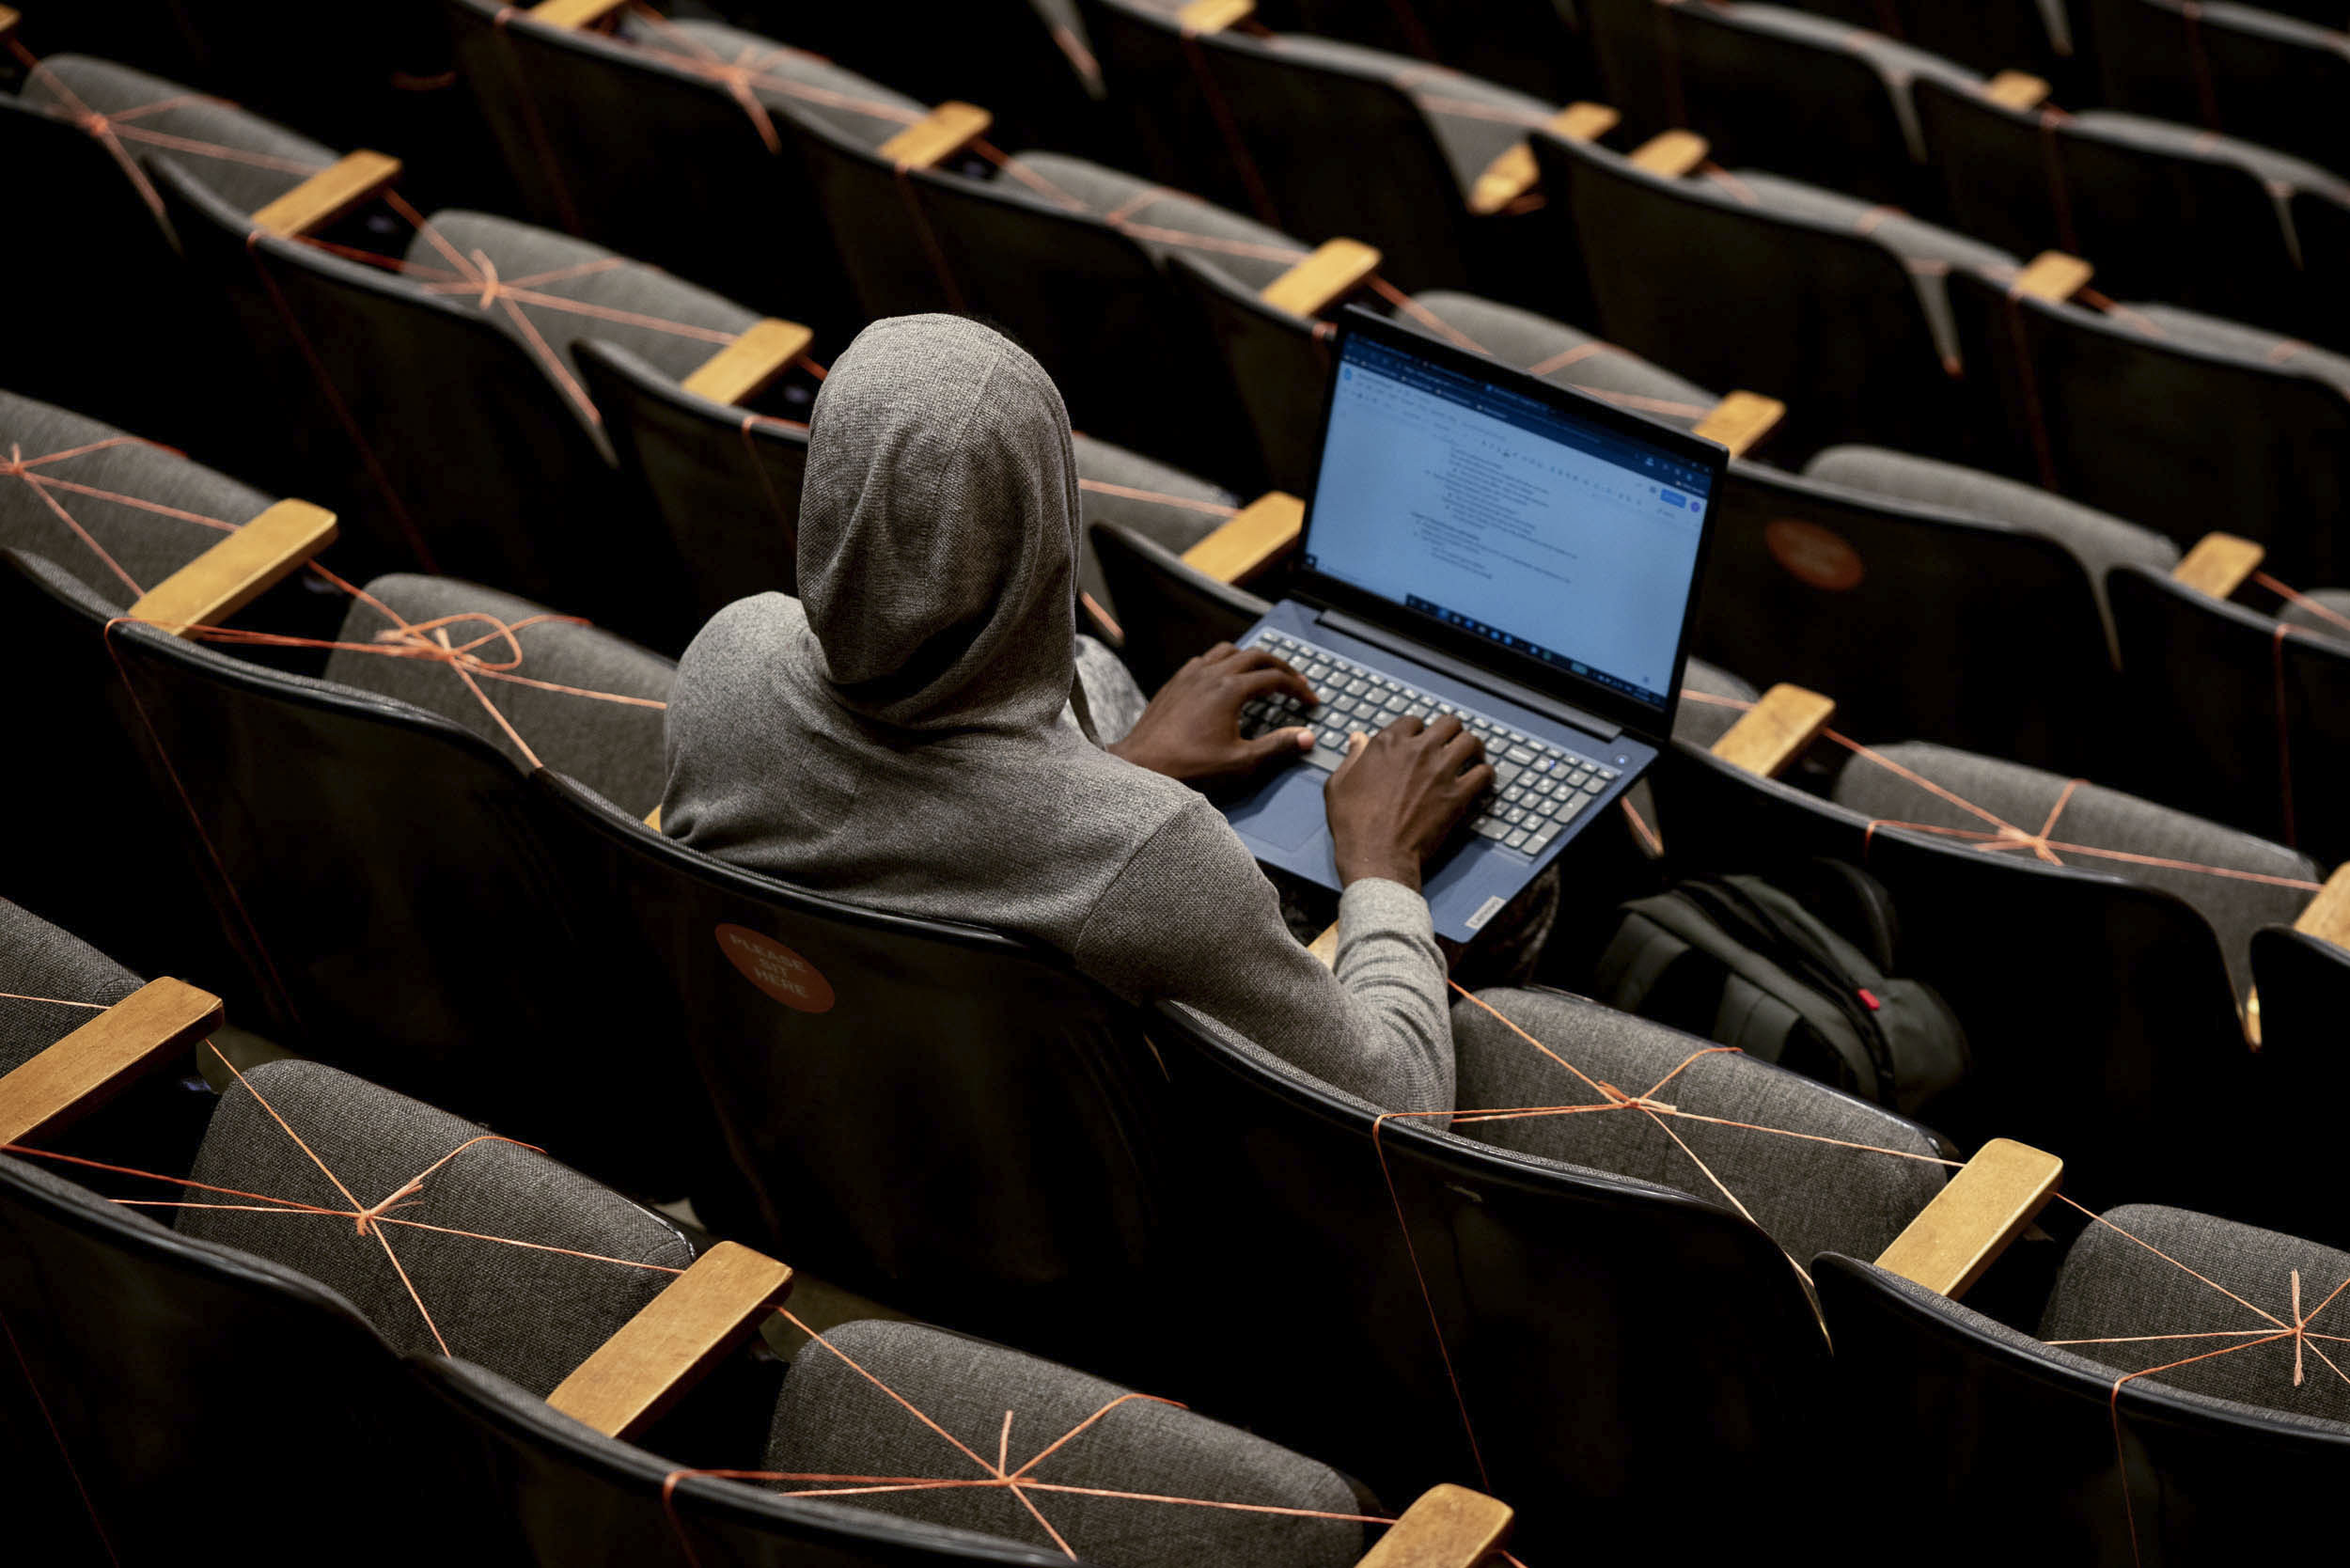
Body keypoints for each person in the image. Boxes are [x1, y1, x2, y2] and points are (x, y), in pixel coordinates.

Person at [660, 316, 1490, 1111]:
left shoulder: (727, 657)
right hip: (1119, 1230)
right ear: (1048, 524)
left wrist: (1119, 768)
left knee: (1097, 673)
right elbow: (1402, 1102)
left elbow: (925, 841)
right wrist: (1384, 863)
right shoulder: (1151, 855)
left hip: (848, 1134)